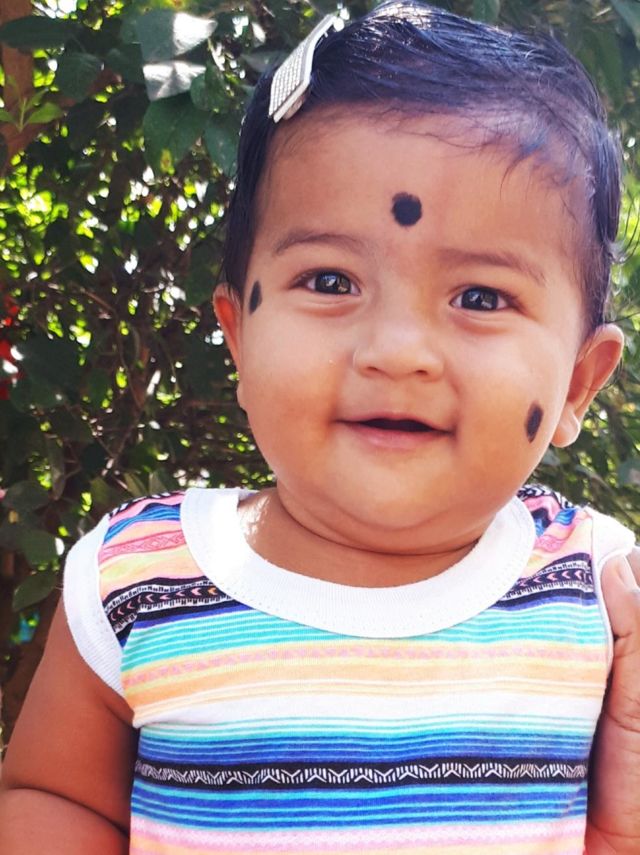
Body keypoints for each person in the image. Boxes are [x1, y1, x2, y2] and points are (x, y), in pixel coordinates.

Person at [1, 2, 639, 853]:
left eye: (481, 297)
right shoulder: (140, 579)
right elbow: (52, 793)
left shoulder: (602, 592)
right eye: (331, 281)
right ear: (238, 338)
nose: (396, 350)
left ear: (578, 383)